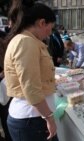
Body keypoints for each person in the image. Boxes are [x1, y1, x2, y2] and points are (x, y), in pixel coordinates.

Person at [4, 1, 58, 141]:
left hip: (33, 118)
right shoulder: (25, 42)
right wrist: (49, 118)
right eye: (50, 28)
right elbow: (31, 88)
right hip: (32, 121)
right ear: (42, 23)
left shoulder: (28, 40)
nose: (50, 33)